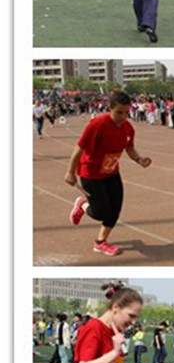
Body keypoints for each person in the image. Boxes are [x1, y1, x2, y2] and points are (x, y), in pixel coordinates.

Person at [65, 90, 152, 257]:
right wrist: (70, 172)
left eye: (126, 112)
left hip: (111, 172)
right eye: (119, 112)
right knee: (100, 213)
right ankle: (82, 205)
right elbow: (79, 149)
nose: (123, 117)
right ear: (110, 108)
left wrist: (139, 159)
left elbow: (130, 148)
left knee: (115, 209)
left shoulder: (128, 128)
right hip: (91, 173)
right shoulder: (97, 125)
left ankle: (100, 242)